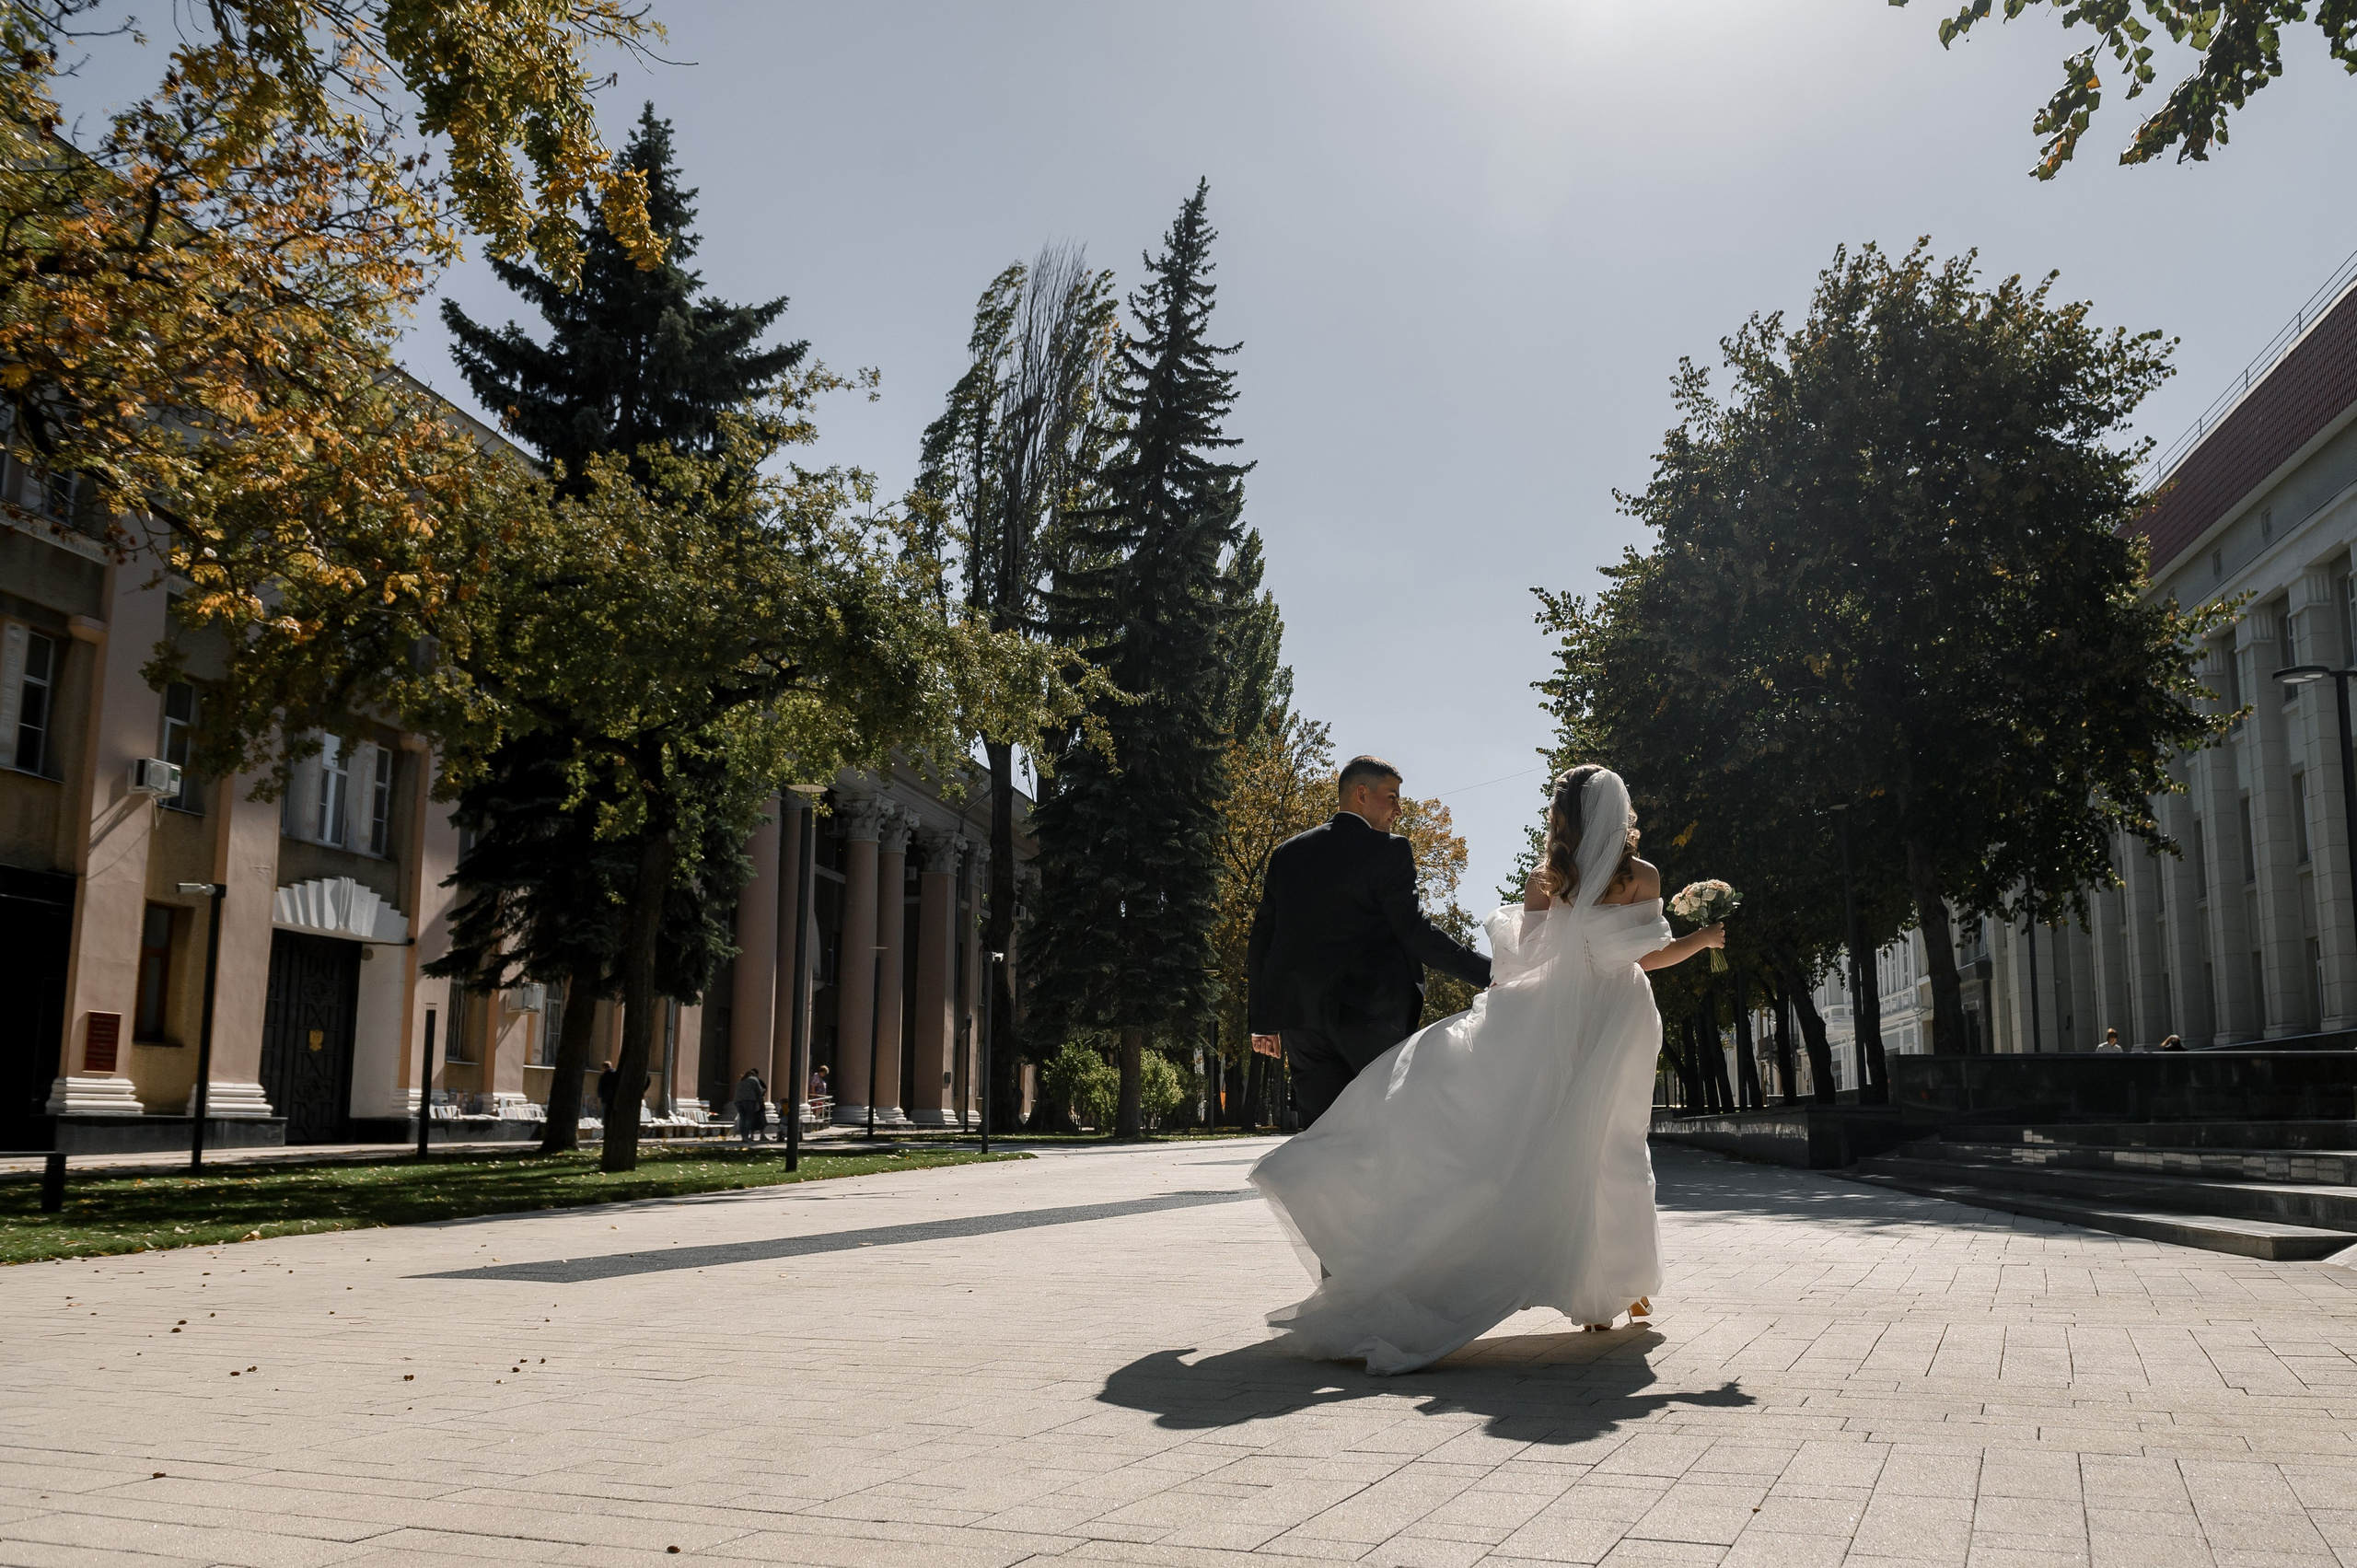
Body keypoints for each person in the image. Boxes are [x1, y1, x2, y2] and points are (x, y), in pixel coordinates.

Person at [1251, 765, 1724, 1376]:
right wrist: (1706, 937)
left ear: (1564, 817)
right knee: (1615, 1146)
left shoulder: (1546, 880)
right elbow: (1651, 956)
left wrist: (1498, 994)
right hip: (1621, 1018)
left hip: (1555, 1017)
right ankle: (1616, 1286)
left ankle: (1361, 1263)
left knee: (1545, 1140)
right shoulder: (1643, 877)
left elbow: (1524, 965)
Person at [1246, 755, 1493, 1126]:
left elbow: (1263, 938)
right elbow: (1416, 933)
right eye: (1392, 796)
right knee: (1388, 1132)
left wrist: (1264, 1020)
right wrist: (1491, 973)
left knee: (1323, 1139)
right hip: (1371, 1018)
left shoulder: (1288, 854)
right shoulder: (1388, 851)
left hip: (1303, 1026)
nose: (1399, 808)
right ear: (1362, 793)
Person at [733, 1067, 768, 1144]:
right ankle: (746, 1136)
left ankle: (743, 1136)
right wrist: (760, 1102)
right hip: (749, 1100)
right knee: (749, 1118)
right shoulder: (754, 1079)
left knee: (742, 1118)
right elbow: (759, 1091)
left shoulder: (740, 1081)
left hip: (738, 1101)